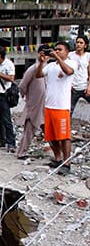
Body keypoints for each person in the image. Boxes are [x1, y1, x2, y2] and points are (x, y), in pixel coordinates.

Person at [36, 41, 76, 175]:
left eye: (60, 50)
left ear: (67, 52)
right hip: (49, 105)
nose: (57, 51)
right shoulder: (51, 65)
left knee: (64, 136)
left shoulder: (71, 63)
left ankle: (67, 162)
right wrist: (41, 62)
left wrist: (57, 58)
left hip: (62, 106)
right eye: (55, 50)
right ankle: (58, 158)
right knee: (51, 135)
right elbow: (39, 75)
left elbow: (69, 72)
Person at [15, 47, 47, 160]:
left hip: (46, 103)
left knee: (48, 130)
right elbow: (23, 85)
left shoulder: (49, 68)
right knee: (30, 129)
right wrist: (24, 95)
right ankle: (21, 152)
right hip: (34, 104)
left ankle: (57, 154)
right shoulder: (33, 69)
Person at [0, 46, 16, 152]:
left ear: (0, 55)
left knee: (6, 120)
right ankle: (1, 140)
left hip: (3, 95)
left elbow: (11, 78)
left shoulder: (8, 64)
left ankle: (11, 143)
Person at [69, 35, 90, 117]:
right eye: (77, 42)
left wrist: (89, 86)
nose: (78, 44)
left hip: (85, 87)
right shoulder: (70, 55)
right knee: (69, 110)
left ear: (85, 45)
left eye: (81, 43)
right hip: (73, 88)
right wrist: (69, 85)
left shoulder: (88, 56)